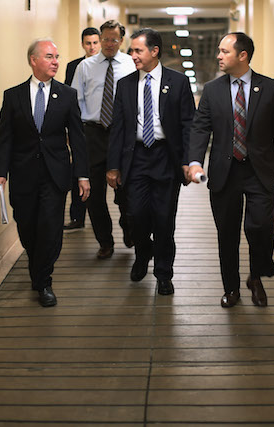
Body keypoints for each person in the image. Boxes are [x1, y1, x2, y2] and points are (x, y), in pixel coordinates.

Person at [188, 32, 274, 308]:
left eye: (224, 51)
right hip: (225, 172)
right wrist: (195, 160)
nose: (219, 56)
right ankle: (231, 288)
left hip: (260, 171)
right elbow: (200, 128)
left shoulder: (270, 88)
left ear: (242, 55)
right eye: (219, 51)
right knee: (227, 233)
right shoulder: (212, 90)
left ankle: (255, 277)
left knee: (261, 225)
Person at [0, 39, 90, 307]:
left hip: (55, 174)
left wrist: (82, 175)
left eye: (57, 57)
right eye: (49, 56)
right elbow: (5, 138)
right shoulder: (13, 96)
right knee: (27, 227)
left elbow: (78, 138)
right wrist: (1, 172)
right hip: (23, 174)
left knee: (50, 228)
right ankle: (38, 270)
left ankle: (44, 281)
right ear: (33, 60)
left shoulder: (67, 95)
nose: (56, 62)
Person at [107, 28, 195, 295]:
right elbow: (117, 127)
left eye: (138, 50)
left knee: (164, 219)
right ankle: (143, 253)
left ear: (155, 51)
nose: (132, 55)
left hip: (165, 157)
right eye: (131, 50)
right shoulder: (125, 84)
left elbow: (188, 125)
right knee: (136, 215)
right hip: (135, 158)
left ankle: (164, 273)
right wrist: (113, 166)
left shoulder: (178, 82)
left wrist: (188, 160)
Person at [71, 20, 136, 259]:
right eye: (105, 39)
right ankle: (105, 242)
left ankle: (128, 226)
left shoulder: (131, 64)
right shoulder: (85, 67)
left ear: (122, 41)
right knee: (94, 195)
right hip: (93, 134)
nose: (109, 44)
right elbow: (75, 102)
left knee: (127, 191)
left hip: (123, 134)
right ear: (100, 39)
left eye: (114, 40)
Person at [63, 27, 101, 231]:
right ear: (82, 44)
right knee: (78, 171)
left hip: (103, 129)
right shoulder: (74, 67)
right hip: (81, 127)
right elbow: (68, 98)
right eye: (88, 43)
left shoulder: (107, 66)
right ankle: (77, 217)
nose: (92, 47)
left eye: (95, 43)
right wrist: (68, 130)